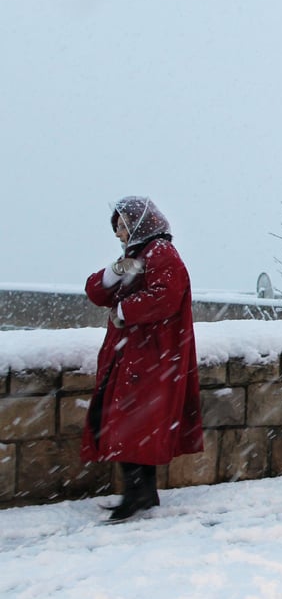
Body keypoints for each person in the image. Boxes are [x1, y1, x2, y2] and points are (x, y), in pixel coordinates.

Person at [82, 196, 204, 522]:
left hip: (148, 358)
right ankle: (144, 494)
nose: (119, 234)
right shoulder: (139, 256)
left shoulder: (160, 254)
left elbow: (165, 295)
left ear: (138, 223)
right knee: (137, 426)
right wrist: (114, 273)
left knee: (130, 426)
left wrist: (123, 309)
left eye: (122, 226)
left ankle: (135, 495)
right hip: (137, 357)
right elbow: (96, 292)